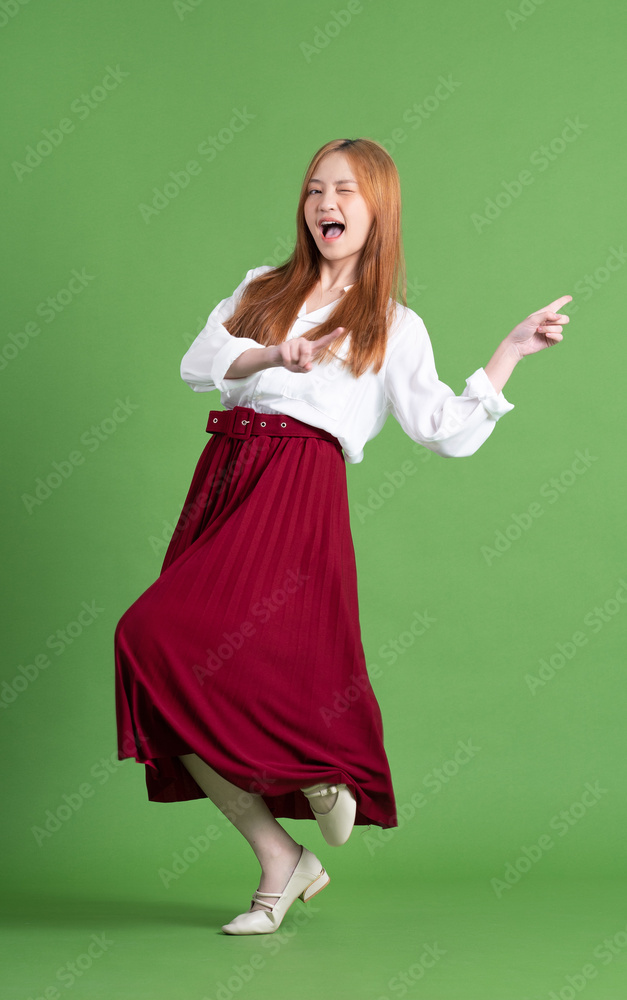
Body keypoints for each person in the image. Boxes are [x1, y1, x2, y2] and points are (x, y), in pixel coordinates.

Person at [114, 137, 571, 936]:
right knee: (157, 655)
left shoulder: (393, 323)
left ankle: (326, 773)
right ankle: (281, 860)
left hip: (296, 488)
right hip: (224, 473)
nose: (327, 203)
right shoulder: (262, 286)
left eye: (347, 192)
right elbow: (198, 364)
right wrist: (276, 353)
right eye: (316, 189)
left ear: (378, 211)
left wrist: (507, 355)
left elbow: (443, 430)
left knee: (273, 655)